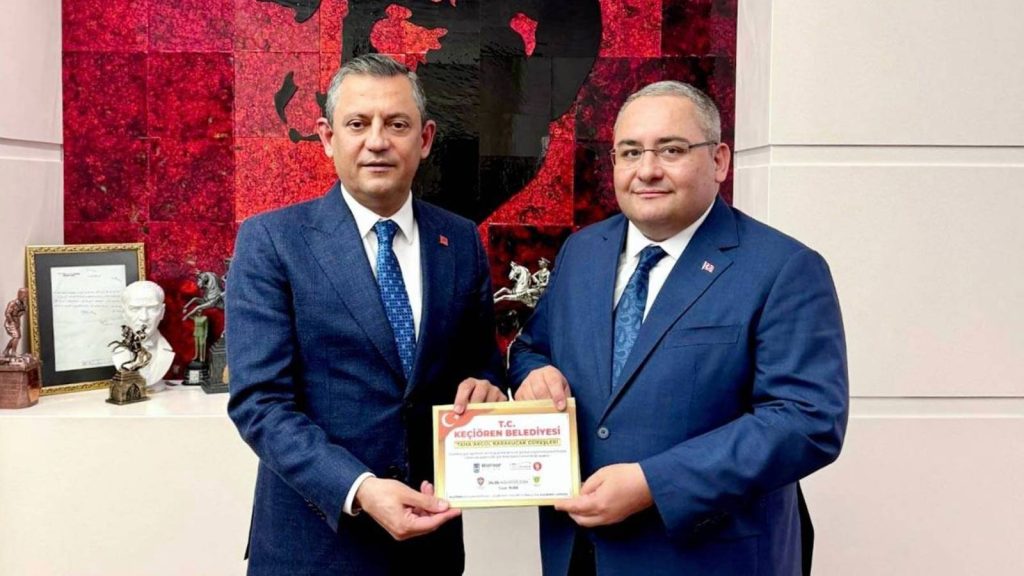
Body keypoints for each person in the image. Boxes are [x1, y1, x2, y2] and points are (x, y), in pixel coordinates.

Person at [509, 80, 849, 576]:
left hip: (711, 558)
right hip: (579, 555)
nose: (647, 170)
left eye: (671, 150)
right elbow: (532, 348)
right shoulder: (582, 252)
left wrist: (654, 482)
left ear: (719, 161)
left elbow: (806, 421)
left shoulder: (783, 268)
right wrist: (533, 375)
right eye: (630, 152)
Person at [227, 54, 506, 575]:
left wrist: (486, 385)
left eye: (396, 124)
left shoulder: (461, 240)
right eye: (358, 124)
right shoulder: (272, 241)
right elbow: (259, 403)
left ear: (424, 139)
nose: (377, 141)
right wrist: (359, 489)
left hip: (431, 546)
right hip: (315, 546)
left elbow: (482, 362)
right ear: (327, 137)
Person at [113, 280, 174, 386]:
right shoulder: (118, 351)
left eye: (152, 309)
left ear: (162, 312)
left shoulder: (166, 351)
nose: (144, 317)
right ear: (124, 313)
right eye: (135, 309)